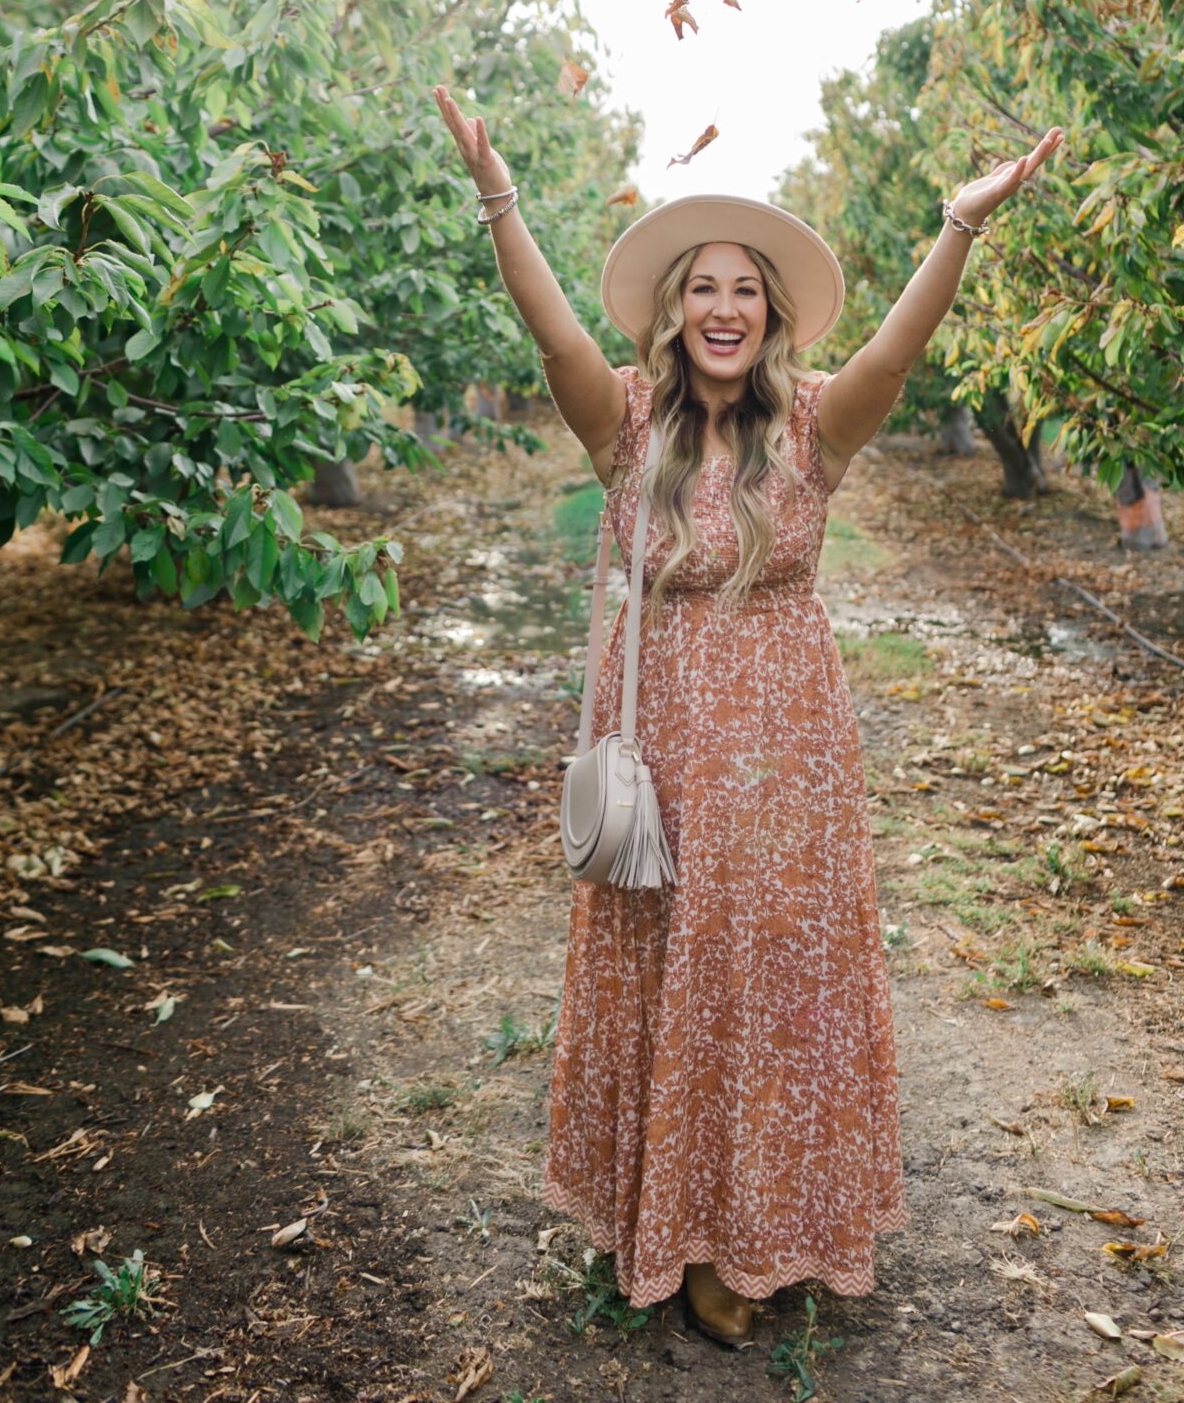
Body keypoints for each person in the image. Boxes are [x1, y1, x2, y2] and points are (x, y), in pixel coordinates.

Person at [434, 83, 1062, 1347]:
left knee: (773, 989)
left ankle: (753, 1229)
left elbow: (898, 347)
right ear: (675, 311)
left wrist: (959, 225)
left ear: (770, 313)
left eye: (745, 288)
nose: (724, 307)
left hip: (788, 758)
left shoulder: (816, 428)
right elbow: (546, 326)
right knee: (670, 978)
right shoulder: (622, 422)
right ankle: (673, 1220)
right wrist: (497, 194)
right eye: (702, 286)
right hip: (664, 757)